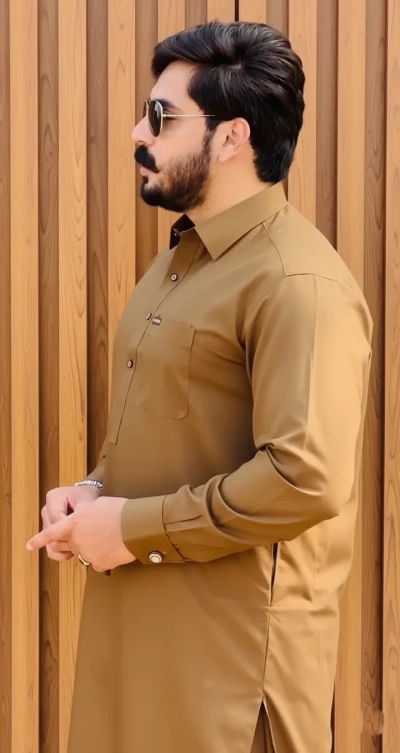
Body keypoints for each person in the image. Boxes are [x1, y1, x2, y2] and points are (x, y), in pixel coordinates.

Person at [27, 20, 373, 753]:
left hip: (227, 680)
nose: (137, 134)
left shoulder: (297, 284)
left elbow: (304, 479)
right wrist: (94, 491)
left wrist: (131, 528)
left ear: (231, 138)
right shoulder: (181, 261)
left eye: (161, 116)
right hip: (137, 647)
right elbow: (176, 428)